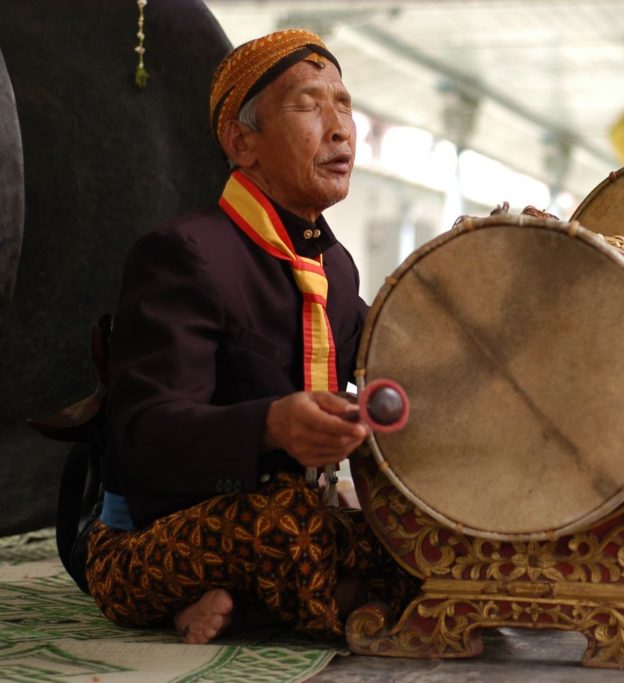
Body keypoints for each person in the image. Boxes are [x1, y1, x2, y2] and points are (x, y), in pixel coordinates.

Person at [83, 29, 417, 644]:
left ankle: (242, 605)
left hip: (286, 518)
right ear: (243, 143)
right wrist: (271, 425)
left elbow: (404, 354)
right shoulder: (184, 253)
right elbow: (144, 437)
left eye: (343, 104)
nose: (340, 128)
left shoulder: (333, 268)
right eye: (308, 105)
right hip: (153, 533)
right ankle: (186, 597)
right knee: (293, 528)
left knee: (426, 535)